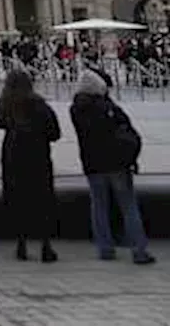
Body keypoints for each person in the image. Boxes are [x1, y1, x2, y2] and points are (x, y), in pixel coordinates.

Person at [70, 69, 156, 265]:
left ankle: (105, 248)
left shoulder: (75, 110)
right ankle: (139, 250)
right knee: (128, 206)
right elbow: (126, 130)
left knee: (98, 206)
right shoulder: (108, 108)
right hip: (117, 164)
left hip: (92, 164)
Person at [0, 70, 60, 263]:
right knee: (43, 200)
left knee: (18, 200)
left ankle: (21, 244)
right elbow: (55, 132)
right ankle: (46, 245)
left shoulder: (7, 104)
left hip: (13, 157)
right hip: (37, 157)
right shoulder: (39, 104)